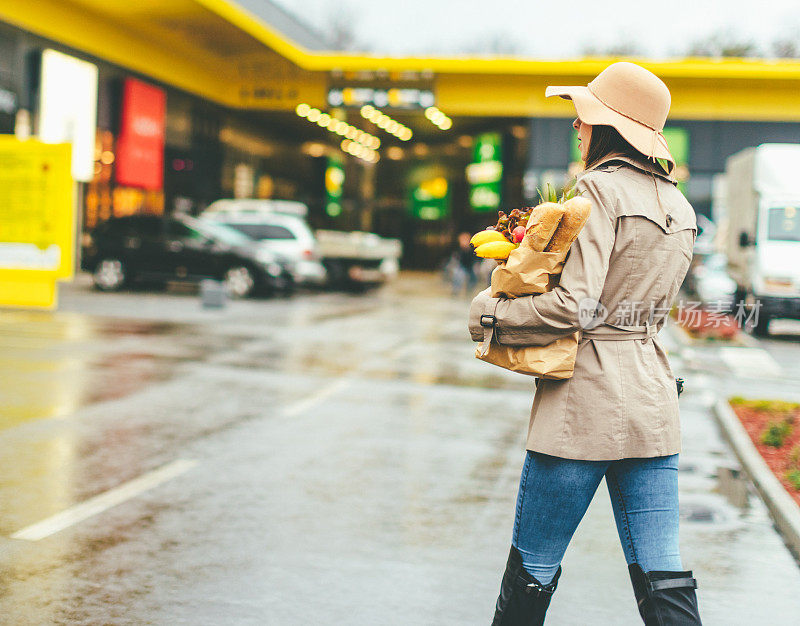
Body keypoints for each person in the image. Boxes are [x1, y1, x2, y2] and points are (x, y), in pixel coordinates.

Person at [470, 62, 702, 625]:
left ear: (609, 127)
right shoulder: (680, 207)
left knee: (534, 567)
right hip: (652, 402)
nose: (577, 127)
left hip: (582, 404)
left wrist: (491, 314)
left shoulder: (597, 190)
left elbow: (577, 306)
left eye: (584, 118)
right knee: (662, 571)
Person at [450, 231, 479, 296]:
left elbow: (476, 260)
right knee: (457, 275)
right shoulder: (458, 250)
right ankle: (455, 292)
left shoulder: (472, 249)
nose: (464, 242)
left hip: (470, 267)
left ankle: (469, 292)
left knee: (473, 278)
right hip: (461, 266)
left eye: (466, 240)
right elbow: (454, 261)